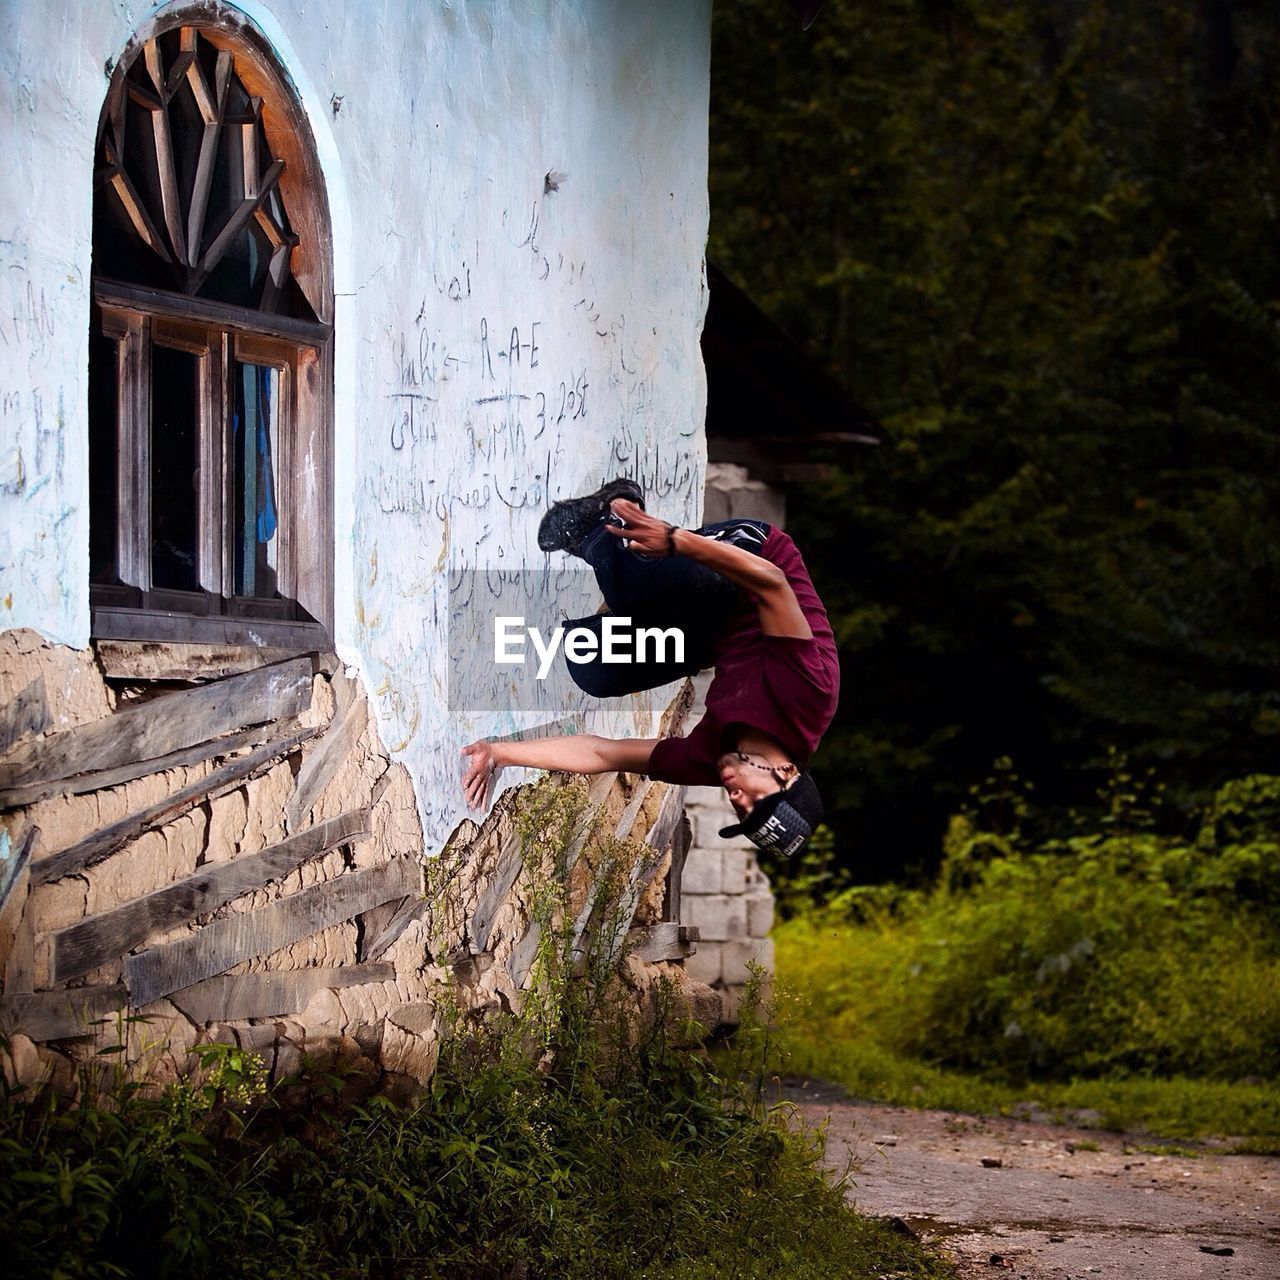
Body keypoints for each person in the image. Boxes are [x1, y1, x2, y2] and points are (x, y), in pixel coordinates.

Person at [461, 478, 840, 856]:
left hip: (717, 636)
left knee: (594, 666)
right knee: (634, 587)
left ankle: (621, 574)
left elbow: (602, 754)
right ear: (786, 772)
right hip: (754, 567)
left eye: (742, 814)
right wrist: (675, 539)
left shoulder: (711, 762)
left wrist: (499, 753)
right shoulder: (807, 698)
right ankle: (615, 514)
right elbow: (773, 584)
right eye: (758, 803)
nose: (737, 799)